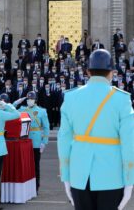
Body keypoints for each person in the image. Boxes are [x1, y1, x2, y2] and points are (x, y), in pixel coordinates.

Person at [58, 49, 134, 210]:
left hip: (79, 175)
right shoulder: (122, 99)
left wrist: (66, 176)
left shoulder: (71, 97)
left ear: (87, 72)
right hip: (111, 176)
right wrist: (129, 181)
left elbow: (63, 140)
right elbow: (129, 143)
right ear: (112, 73)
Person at [16, 91, 50, 193]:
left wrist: (44, 142)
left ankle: (36, 187)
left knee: (35, 165)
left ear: (35, 100)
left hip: (36, 141)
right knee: (24, 165)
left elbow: (46, 127)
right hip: (24, 140)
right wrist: (18, 101)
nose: (29, 101)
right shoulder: (22, 109)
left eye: (31, 99)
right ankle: (26, 186)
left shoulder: (42, 111)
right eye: (28, 99)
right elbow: (10, 109)